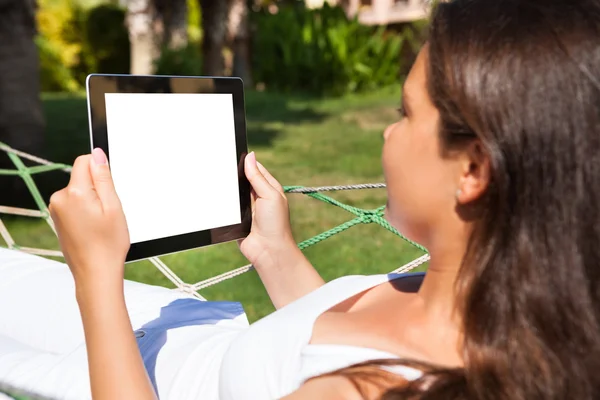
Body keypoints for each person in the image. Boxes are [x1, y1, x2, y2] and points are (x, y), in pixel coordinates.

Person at [0, 0, 599, 399]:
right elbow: (320, 339)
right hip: (189, 331)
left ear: (472, 169)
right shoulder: (484, 301)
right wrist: (274, 250)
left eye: (404, 114)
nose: (388, 133)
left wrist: (96, 276)